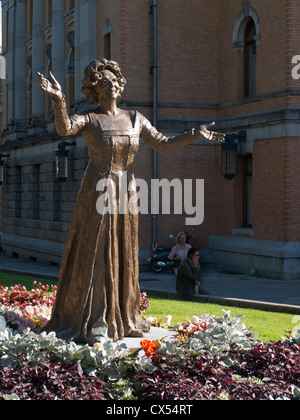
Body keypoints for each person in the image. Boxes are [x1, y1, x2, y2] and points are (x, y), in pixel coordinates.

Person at [38, 59, 224, 344]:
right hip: (98, 189)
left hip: (126, 190)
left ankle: (122, 315)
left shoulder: (136, 118)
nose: (110, 84)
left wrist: (193, 134)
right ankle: (97, 318)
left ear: (120, 85)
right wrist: (60, 100)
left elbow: (162, 143)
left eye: (114, 80)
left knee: (124, 250)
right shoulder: (90, 119)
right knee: (98, 251)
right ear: (95, 90)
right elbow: (64, 128)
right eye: (103, 82)